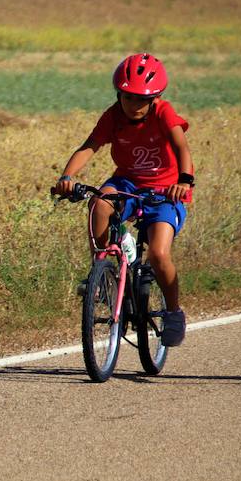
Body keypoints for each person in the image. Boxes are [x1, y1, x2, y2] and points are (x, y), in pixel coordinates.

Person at [52, 53, 193, 347]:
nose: (135, 105)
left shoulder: (163, 113)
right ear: (119, 94)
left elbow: (181, 146)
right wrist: (67, 177)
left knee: (158, 254)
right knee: (99, 203)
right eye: (129, 98)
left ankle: (174, 312)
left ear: (156, 98)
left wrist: (183, 181)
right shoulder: (113, 116)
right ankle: (102, 276)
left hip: (165, 191)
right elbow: (90, 146)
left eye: (143, 99)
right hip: (127, 183)